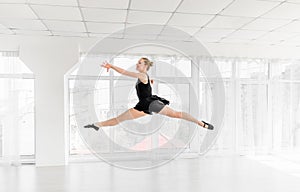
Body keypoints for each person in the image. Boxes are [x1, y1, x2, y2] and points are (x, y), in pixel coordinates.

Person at [84, 57, 214, 131]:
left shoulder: (141, 74)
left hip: (151, 104)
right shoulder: (144, 76)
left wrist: (111, 66)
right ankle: (97, 125)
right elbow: (145, 85)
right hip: (142, 106)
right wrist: (149, 82)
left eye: (139, 63)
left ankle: (200, 123)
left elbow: (124, 72)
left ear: (145, 66)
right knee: (119, 119)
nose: (137, 64)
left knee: (176, 114)